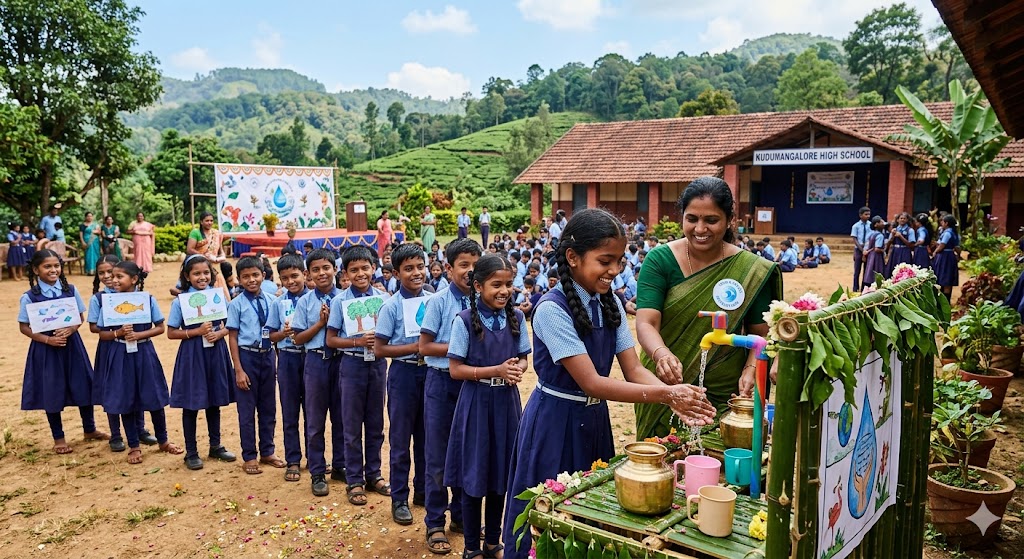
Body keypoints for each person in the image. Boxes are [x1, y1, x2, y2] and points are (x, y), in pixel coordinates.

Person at [503, 209, 716, 558]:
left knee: (592, 514)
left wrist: (674, 398)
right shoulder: (551, 310)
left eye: (618, 260)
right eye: (605, 261)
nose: (615, 270)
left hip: (594, 423)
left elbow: (633, 370)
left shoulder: (611, 303)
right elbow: (592, 383)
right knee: (549, 516)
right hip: (554, 423)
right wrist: (665, 393)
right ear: (572, 257)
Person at [633, 177, 782, 437]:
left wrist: (751, 369)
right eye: (692, 219)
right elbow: (646, 322)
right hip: (667, 382)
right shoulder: (660, 260)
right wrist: (662, 355)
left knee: (723, 466)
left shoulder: (751, 270)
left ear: (729, 221)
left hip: (728, 390)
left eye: (711, 220)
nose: (700, 228)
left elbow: (761, 332)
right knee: (660, 464)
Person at [446, 255, 531, 559]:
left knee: (500, 474)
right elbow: (455, 369)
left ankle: (493, 541)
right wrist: (494, 370)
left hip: (506, 403)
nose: (504, 290)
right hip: (476, 405)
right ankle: (471, 547)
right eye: (496, 284)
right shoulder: (464, 320)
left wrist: (516, 368)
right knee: (474, 475)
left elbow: (523, 357)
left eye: (508, 284)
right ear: (479, 286)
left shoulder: (517, 318)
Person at [419, 238, 482, 555]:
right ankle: (434, 522)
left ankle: (461, 517)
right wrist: (460, 348)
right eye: (463, 265)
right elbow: (425, 347)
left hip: (471, 384)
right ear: (448, 268)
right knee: (438, 456)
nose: (470, 272)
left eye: (475, 265)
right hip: (442, 382)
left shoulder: (483, 303)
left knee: (466, 451)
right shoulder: (439, 302)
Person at [18, 249, 110, 454]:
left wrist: (71, 328)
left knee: (82, 385)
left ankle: (90, 429)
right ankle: (58, 437)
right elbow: (24, 327)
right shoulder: (30, 297)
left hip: (72, 346)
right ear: (35, 269)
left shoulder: (70, 289)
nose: (53, 270)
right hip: (46, 351)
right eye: (47, 266)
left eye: (56, 266)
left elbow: (79, 316)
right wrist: (47, 339)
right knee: (52, 389)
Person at [99, 261, 182, 464]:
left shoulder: (148, 299)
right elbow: (102, 333)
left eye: (120, 276)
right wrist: (117, 333)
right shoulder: (108, 302)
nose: (114, 280)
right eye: (113, 276)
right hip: (120, 354)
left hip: (144, 352)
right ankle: (134, 445)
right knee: (126, 399)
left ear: (134, 279)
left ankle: (163, 440)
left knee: (153, 395)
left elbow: (160, 327)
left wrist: (138, 334)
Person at [326, 245, 391, 506]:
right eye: (354, 270)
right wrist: (356, 342)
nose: (361, 273)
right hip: (351, 366)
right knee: (351, 424)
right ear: (345, 274)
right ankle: (354, 479)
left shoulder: (384, 299)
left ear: (374, 269)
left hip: (377, 365)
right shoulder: (339, 301)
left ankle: (374, 473)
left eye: (365, 268)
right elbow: (331, 340)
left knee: (375, 423)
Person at [374, 243, 430, 525]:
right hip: (403, 376)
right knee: (400, 439)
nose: (416, 273)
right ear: (396, 273)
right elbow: (380, 349)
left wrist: (427, 349)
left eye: (420, 266)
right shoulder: (390, 306)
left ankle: (422, 491)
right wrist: (415, 348)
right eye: (409, 269)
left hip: (429, 375)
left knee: (426, 436)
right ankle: (399, 498)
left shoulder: (434, 300)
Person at [167, 255, 237, 470]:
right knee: (191, 402)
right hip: (192, 355)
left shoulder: (218, 298)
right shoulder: (180, 301)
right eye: (196, 273)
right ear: (187, 276)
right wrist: (195, 332)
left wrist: (220, 333)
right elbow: (171, 332)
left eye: (206, 272)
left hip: (216, 352)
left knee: (214, 399)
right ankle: (191, 452)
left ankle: (215, 445)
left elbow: (231, 324)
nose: (202, 277)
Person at [290, 248, 345, 496]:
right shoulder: (304, 302)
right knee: (315, 421)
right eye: (315, 270)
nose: (322, 273)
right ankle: (317, 471)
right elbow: (298, 339)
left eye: (326, 268)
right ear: (308, 273)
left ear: (335, 269)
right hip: (315, 362)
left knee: (342, 417)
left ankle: (341, 466)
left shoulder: (346, 298)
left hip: (342, 362)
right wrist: (321, 324)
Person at [88, 255, 154, 453]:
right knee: (114, 391)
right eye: (102, 273)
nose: (108, 277)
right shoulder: (98, 298)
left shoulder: (138, 296)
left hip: (134, 345)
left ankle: (139, 429)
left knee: (135, 386)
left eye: (112, 272)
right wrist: (115, 333)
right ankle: (115, 434)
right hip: (110, 347)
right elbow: (93, 327)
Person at [227, 256, 284, 475]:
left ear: (263, 275)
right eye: (245, 277)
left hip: (267, 356)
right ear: (239, 280)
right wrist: (239, 370)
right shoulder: (236, 304)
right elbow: (232, 337)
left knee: (268, 407)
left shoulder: (273, 301)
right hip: (247, 357)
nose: (251, 280)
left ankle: (267, 451)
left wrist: (277, 360)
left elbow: (276, 333)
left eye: (255, 275)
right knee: (247, 410)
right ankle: (249, 455)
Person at [931, 214, 960, 301]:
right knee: (948, 278)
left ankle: (944, 300)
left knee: (944, 278)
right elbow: (957, 246)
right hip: (950, 255)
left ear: (946, 223)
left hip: (945, 257)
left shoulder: (947, 233)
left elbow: (942, 245)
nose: (941, 223)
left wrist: (935, 252)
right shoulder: (954, 232)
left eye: (943, 222)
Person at [885, 212, 916, 278]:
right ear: (897, 220)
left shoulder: (910, 230)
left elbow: (911, 245)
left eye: (904, 218)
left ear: (907, 220)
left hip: (905, 251)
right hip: (895, 252)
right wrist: (893, 236)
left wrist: (900, 236)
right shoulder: (894, 230)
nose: (902, 220)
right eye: (901, 218)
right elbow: (888, 243)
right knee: (893, 269)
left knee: (904, 270)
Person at [851, 207, 871, 291]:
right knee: (857, 270)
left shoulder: (870, 225)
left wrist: (867, 249)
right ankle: (855, 288)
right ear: (860, 215)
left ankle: (864, 287)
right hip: (859, 249)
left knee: (866, 270)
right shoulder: (856, 226)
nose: (868, 216)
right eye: (866, 214)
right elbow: (854, 239)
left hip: (868, 249)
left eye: (869, 214)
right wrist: (861, 249)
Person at [862, 217, 886, 288]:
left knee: (870, 270)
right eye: (881, 222)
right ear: (876, 225)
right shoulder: (880, 235)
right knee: (877, 270)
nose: (883, 224)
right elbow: (877, 249)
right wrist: (883, 250)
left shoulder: (872, 234)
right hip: (877, 257)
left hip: (870, 256)